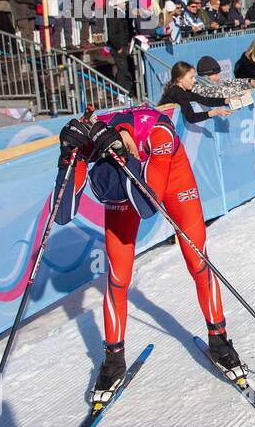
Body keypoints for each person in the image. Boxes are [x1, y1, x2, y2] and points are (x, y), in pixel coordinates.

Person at [54, 108, 243, 401]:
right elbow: (62, 214)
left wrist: (122, 153)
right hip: (126, 183)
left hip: (171, 183)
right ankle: (113, 359)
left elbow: (148, 205)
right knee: (118, 276)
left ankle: (219, 340)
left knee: (197, 262)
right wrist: (68, 156)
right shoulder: (98, 138)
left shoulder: (159, 131)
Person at [158, 61, 235, 124]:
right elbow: (191, 117)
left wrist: (226, 100)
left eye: (194, 77)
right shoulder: (177, 92)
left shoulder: (187, 90)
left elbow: (206, 101)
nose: (194, 80)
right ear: (180, 79)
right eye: (191, 77)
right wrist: (216, 112)